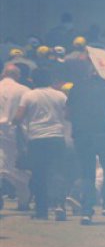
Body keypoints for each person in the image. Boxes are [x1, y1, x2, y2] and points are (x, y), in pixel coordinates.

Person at [66, 59, 105, 224]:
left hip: (81, 134)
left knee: (87, 172)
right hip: (102, 133)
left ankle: (87, 211)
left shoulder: (77, 87)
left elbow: (67, 114)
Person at [12, 68, 67, 220]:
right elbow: (68, 114)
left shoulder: (29, 95)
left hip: (37, 138)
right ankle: (59, 204)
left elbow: (18, 118)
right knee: (58, 172)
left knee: (39, 174)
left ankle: (41, 210)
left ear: (33, 80)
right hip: (57, 137)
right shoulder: (60, 95)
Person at [0, 64, 31, 210]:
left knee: (3, 165)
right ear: (17, 76)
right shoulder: (24, 90)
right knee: (17, 167)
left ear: (3, 74)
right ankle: (23, 200)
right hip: (15, 133)